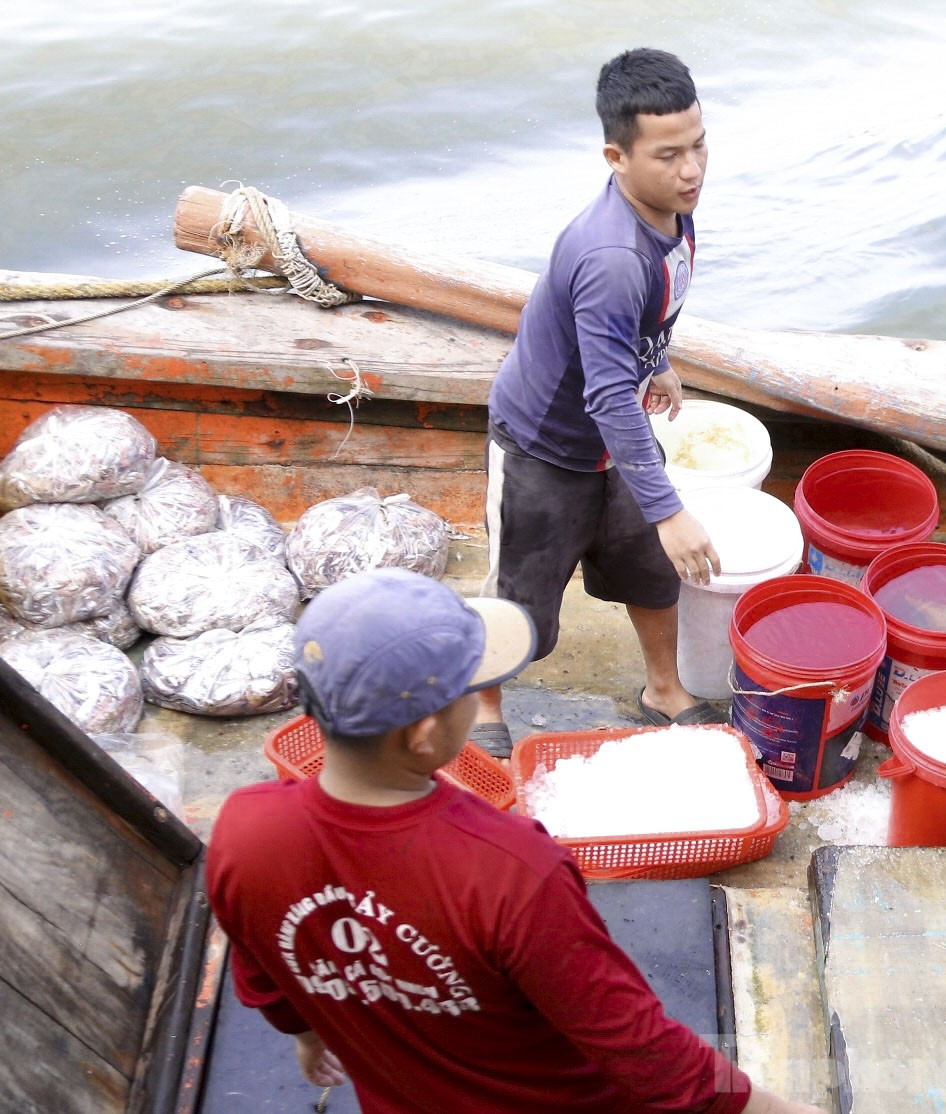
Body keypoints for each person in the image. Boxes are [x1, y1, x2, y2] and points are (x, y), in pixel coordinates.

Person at [206, 567, 823, 1114]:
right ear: (425, 733)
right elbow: (637, 1049)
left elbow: (262, 967)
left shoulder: (244, 831)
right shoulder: (510, 871)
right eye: (468, 688)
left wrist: (308, 1034)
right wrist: (769, 1108)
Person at [474, 47, 723, 757]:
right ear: (616, 156)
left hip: (615, 435)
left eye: (699, 144)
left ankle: (662, 689)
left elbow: (646, 318)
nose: (692, 170)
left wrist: (659, 361)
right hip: (544, 444)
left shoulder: (671, 211)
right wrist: (670, 510)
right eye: (668, 154)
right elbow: (607, 391)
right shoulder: (610, 254)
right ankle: (484, 702)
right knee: (521, 595)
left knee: (649, 566)